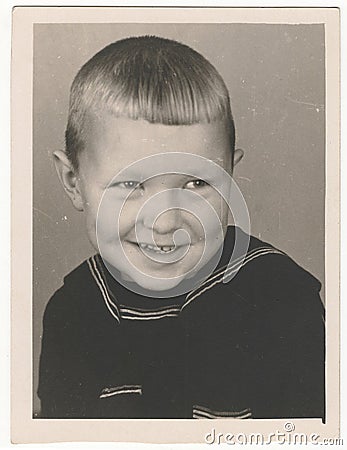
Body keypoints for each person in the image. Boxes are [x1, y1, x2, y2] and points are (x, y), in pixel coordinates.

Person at [37, 35, 325, 420]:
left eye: (197, 184)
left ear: (231, 173)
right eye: (131, 185)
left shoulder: (280, 300)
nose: (168, 222)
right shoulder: (72, 312)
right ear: (73, 181)